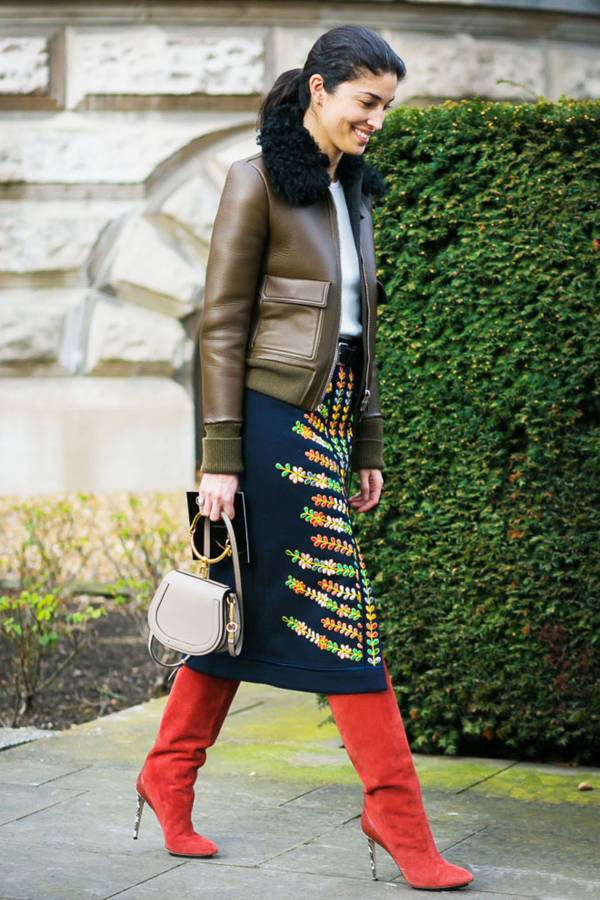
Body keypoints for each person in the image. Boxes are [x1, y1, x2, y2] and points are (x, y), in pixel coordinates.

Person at [134, 25, 474, 891]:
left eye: (386, 106)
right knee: (346, 614)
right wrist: (219, 456)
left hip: (330, 419)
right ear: (319, 90)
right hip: (267, 421)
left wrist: (367, 441)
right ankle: (398, 820)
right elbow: (221, 325)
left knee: (242, 607)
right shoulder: (255, 182)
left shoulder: (350, 187)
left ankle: (167, 777)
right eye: (367, 102)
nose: (377, 121)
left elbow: (359, 333)